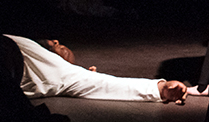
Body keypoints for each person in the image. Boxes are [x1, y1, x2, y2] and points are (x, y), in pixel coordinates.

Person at [10, 36, 188, 103]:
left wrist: (160, 89)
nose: (57, 42)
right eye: (57, 44)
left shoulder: (61, 71)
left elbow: (108, 84)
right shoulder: (27, 45)